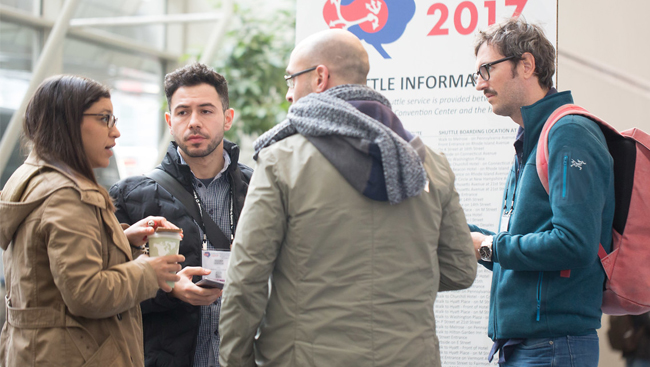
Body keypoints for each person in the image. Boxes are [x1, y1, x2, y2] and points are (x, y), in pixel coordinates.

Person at [218, 29, 477, 367]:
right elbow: (460, 270)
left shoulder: (282, 161)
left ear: (320, 77)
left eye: (290, 80)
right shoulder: (430, 163)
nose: (287, 95)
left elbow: (246, 279)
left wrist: (235, 360)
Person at [0, 75, 184, 367]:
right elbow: (85, 292)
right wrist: (149, 272)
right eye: (104, 119)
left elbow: (49, 267)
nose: (116, 132)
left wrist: (120, 239)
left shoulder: (31, 177)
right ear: (68, 121)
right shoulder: (66, 195)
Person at [469, 18, 616, 366]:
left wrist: (490, 245)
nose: (479, 84)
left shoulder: (570, 134)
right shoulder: (534, 140)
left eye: (487, 69)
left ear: (527, 64)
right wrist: (474, 241)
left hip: (552, 348)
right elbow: (530, 247)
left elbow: (573, 243)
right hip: (531, 347)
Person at [110, 63, 252, 367]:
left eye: (206, 111)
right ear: (169, 121)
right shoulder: (131, 196)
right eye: (183, 112)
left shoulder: (260, 189)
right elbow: (107, 290)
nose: (194, 122)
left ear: (227, 118)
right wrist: (169, 289)